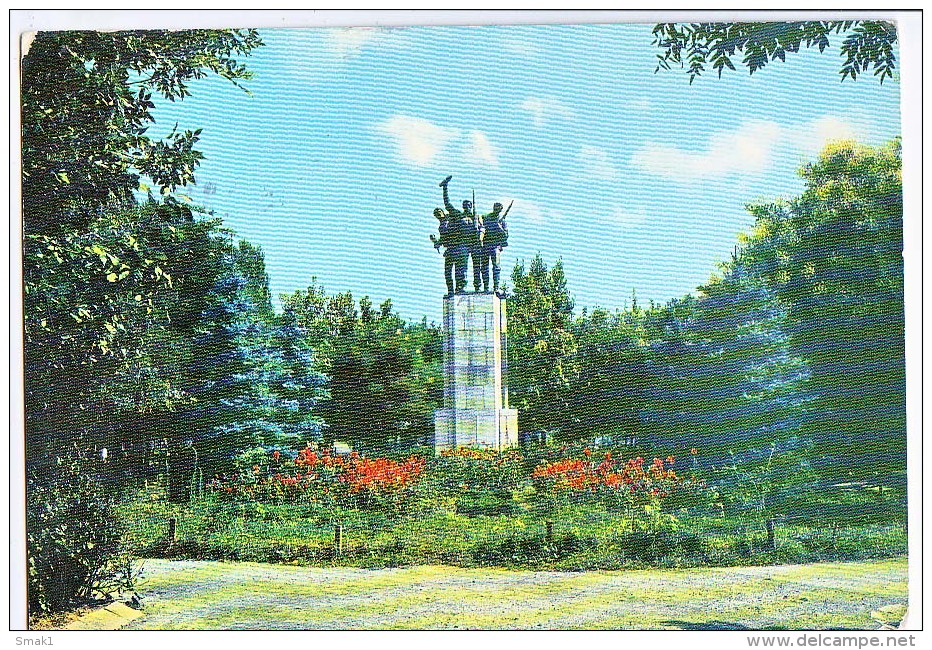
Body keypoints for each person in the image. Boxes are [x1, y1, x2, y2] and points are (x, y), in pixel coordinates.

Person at [430, 206, 469, 295]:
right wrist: (436, 242)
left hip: (457, 247)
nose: (438, 214)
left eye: (439, 212)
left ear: (443, 212)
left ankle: (460, 287)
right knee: (448, 272)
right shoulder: (441, 224)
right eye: (436, 214)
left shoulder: (451, 218)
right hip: (449, 249)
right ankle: (450, 290)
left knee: (459, 269)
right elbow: (444, 238)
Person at [475, 202, 509, 294]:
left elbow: (506, 235)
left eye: (499, 208)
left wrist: (499, 227)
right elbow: (481, 225)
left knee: (496, 267)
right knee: (484, 267)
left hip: (495, 246)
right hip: (485, 245)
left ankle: (496, 287)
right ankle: (486, 287)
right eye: (496, 208)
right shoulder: (487, 218)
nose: (497, 210)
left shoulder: (502, 221)